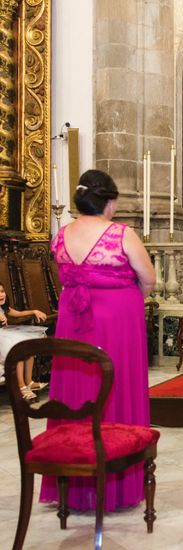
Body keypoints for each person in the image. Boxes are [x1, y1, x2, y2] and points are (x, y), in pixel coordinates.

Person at [39, 169, 156, 512]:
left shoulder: (60, 235)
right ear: (109, 202)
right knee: (116, 387)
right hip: (117, 320)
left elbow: (66, 278)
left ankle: (72, 479)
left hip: (75, 319)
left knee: (76, 386)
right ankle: (118, 483)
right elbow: (148, 279)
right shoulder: (121, 234)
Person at [0, 283, 48, 402]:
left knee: (27, 344)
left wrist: (34, 311)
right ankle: (21, 387)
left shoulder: (3, 307)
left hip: (4, 333)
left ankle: (29, 381)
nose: (1, 295)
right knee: (18, 349)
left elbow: (18, 314)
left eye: (1, 291)